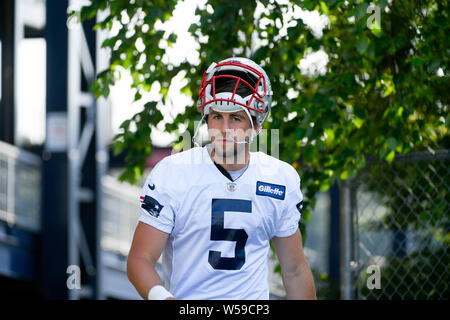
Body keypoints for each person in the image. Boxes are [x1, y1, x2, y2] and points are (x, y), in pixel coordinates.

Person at [127, 57, 316, 300]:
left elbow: (295, 271)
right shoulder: (174, 173)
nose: (224, 128)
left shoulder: (280, 179)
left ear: (256, 124)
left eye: (235, 118)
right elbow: (140, 259)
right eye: (217, 116)